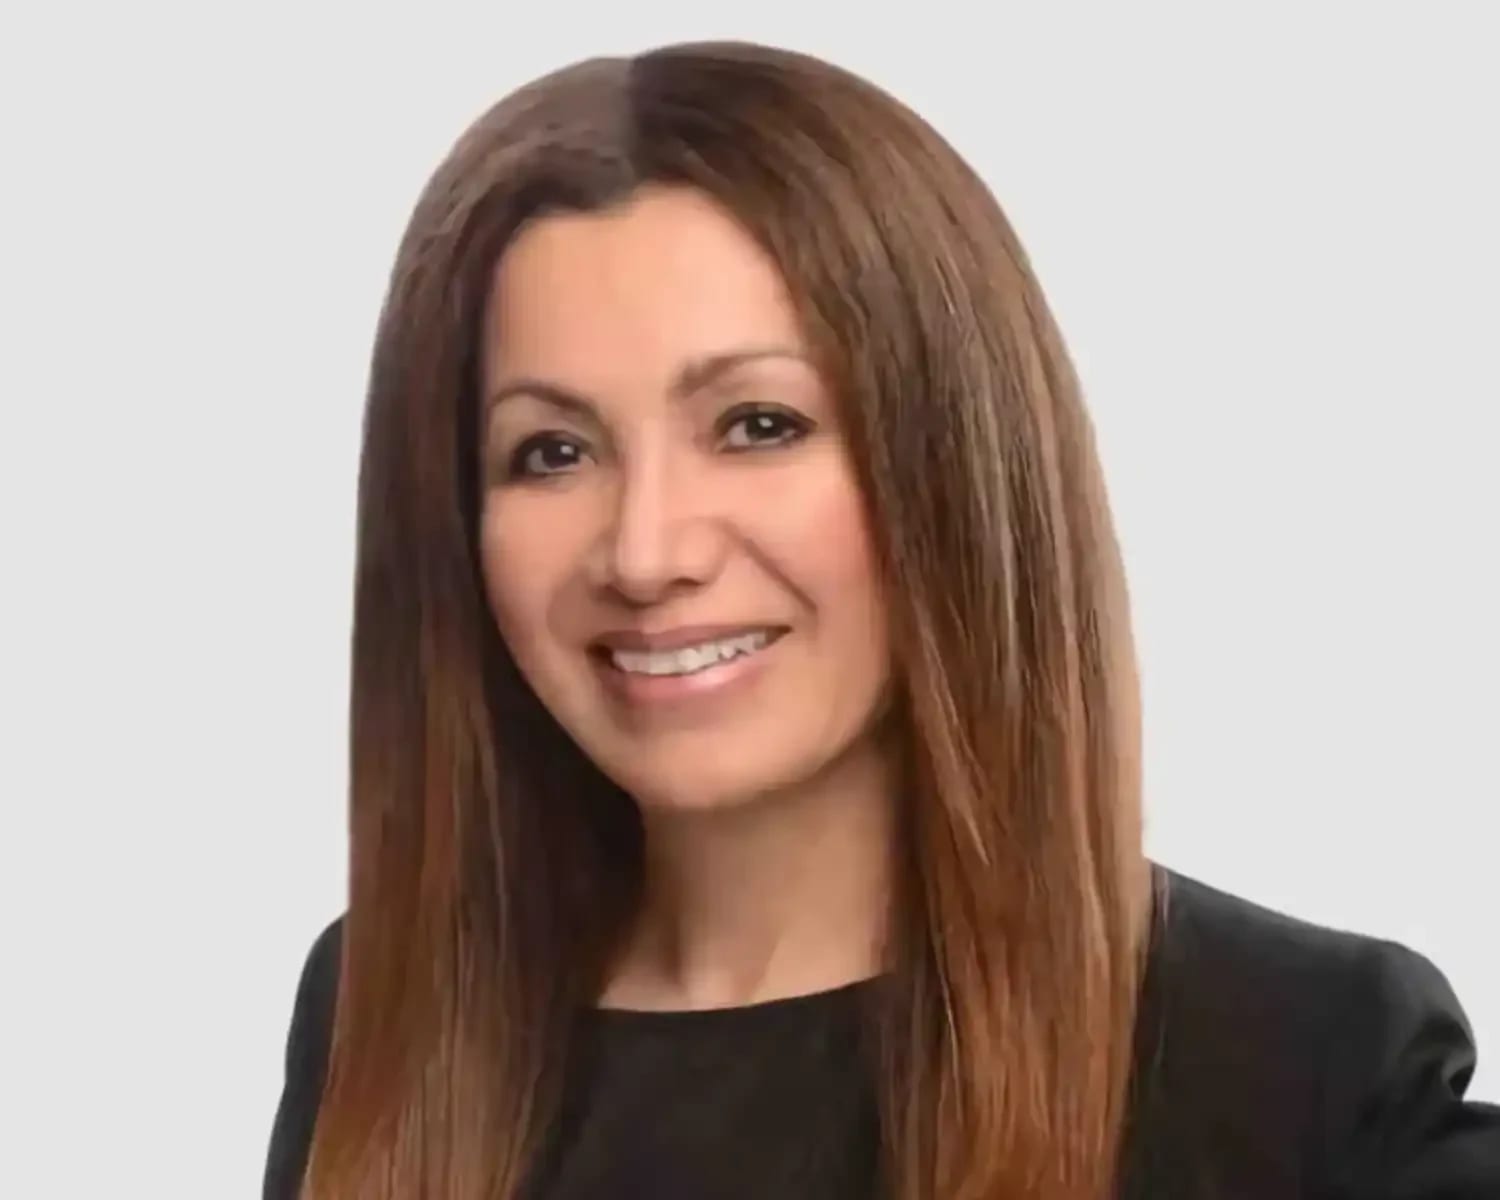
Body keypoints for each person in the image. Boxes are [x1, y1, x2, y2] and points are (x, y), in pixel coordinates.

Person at [262, 40, 1499, 1200]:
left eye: (759, 425)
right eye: (552, 451)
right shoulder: (392, 1011)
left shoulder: (1297, 1068)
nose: (645, 553)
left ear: (954, 467)